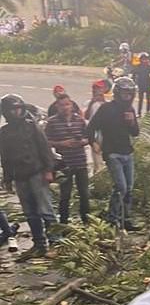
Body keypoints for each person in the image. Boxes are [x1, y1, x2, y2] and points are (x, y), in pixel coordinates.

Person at [0, 94, 58, 260]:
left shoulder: (31, 126)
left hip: (36, 173)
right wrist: (7, 179)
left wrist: (48, 169)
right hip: (20, 177)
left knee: (46, 210)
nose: (17, 112)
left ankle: (56, 243)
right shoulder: (4, 132)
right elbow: (5, 157)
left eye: (19, 108)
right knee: (30, 213)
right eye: (13, 109)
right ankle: (39, 244)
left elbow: (44, 148)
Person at [87, 77, 140, 231]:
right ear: (118, 93)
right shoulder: (106, 109)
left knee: (129, 188)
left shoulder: (130, 110)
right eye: (125, 93)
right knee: (121, 187)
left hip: (127, 152)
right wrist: (94, 143)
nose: (127, 96)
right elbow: (91, 127)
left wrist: (131, 122)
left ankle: (126, 219)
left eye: (130, 93)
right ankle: (113, 218)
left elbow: (135, 132)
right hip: (112, 153)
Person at [45, 94, 90, 224]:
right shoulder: (52, 122)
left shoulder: (79, 120)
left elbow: (89, 138)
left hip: (80, 162)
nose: (65, 107)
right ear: (57, 107)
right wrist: (62, 144)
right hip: (64, 164)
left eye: (67, 104)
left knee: (84, 194)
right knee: (65, 195)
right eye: (62, 105)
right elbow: (45, 141)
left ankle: (87, 221)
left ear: (71, 105)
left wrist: (81, 142)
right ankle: (64, 222)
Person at [84, 80, 107, 175]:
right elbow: (89, 121)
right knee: (99, 167)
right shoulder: (93, 104)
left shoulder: (106, 104)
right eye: (95, 88)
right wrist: (93, 142)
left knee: (103, 165)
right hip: (97, 137)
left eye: (99, 88)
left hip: (106, 137)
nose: (97, 90)